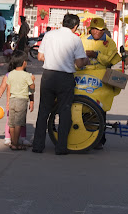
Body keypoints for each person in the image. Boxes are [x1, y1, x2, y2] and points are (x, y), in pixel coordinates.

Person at [32, 14, 89, 155]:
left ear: (63, 23)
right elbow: (79, 63)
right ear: (75, 26)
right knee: (65, 112)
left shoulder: (49, 35)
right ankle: (61, 147)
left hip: (48, 76)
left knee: (44, 111)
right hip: (65, 78)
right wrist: (86, 60)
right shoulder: (75, 39)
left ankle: (38, 146)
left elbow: (40, 57)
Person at [81, 17, 122, 150]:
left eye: (99, 30)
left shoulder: (110, 43)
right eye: (93, 29)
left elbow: (110, 61)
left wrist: (95, 55)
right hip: (84, 78)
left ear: (104, 30)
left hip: (101, 80)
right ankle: (84, 137)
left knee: (100, 109)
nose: (96, 32)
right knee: (84, 108)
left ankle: (99, 139)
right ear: (90, 29)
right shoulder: (82, 40)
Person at [0, 51, 35, 151]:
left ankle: (11, 140)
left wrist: (0, 94)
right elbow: (31, 88)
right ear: (24, 63)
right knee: (19, 123)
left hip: (12, 101)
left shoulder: (10, 74)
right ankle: (15, 143)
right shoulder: (27, 75)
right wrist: (33, 82)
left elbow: (6, 87)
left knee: (11, 123)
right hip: (22, 101)